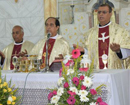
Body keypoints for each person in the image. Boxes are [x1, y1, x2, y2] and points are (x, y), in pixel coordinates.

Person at [74, 4, 130, 69]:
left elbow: (127, 52)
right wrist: (83, 51)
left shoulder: (120, 31)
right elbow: (89, 54)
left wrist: (118, 50)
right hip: (96, 69)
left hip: (114, 69)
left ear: (110, 14)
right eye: (99, 12)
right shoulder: (90, 33)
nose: (101, 14)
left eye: (104, 12)